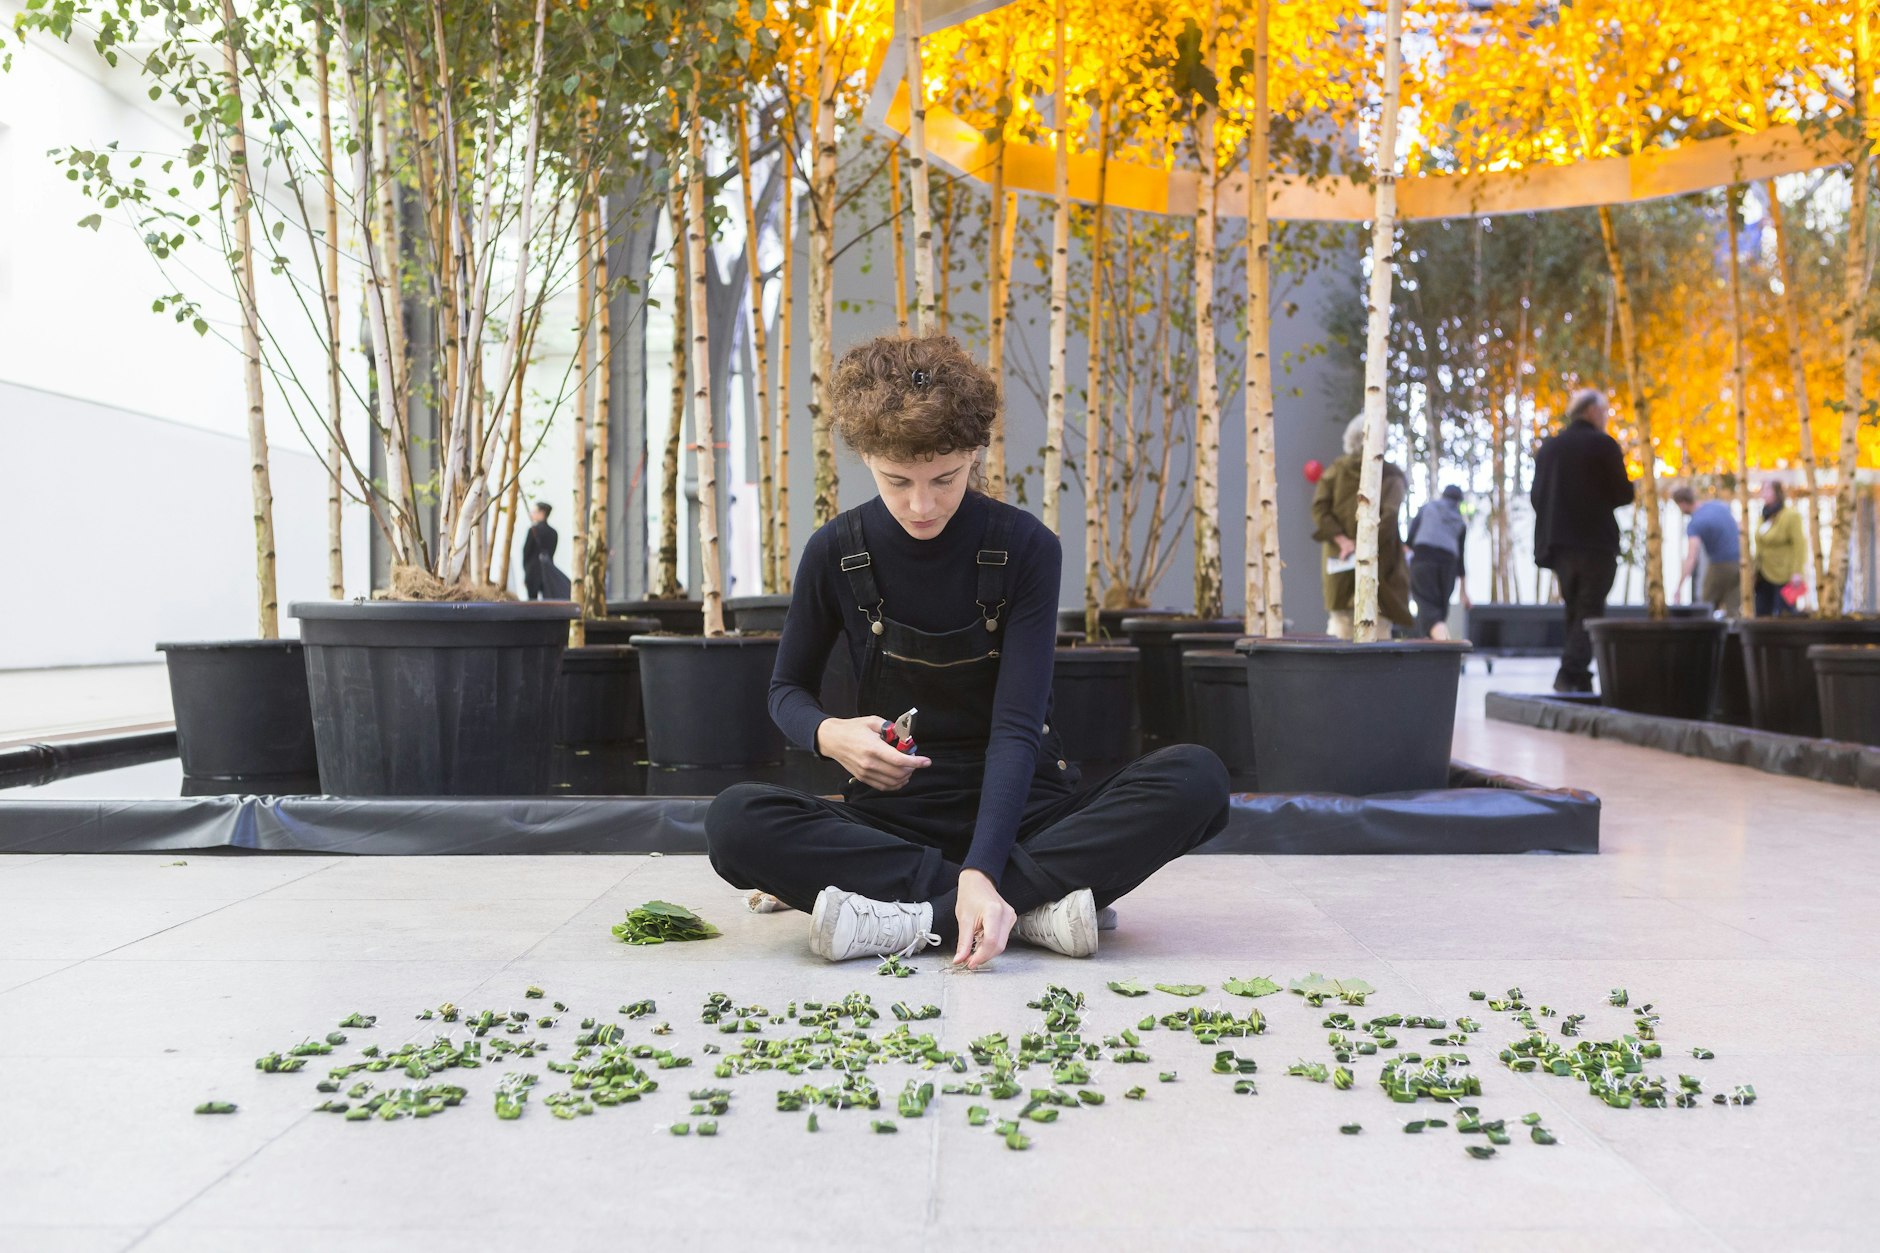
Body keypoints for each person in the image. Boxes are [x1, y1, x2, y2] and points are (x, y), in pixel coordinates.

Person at [705, 333, 1231, 969]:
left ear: (975, 453)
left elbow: (1015, 727)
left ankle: (914, 916)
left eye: (945, 478)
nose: (922, 505)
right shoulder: (834, 552)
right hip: (894, 819)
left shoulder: (1028, 549)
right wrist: (830, 735)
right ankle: (1029, 906)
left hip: (1025, 812)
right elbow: (785, 690)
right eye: (898, 481)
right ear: (866, 455)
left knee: (1197, 778)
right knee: (735, 822)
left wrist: (984, 864)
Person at [1531, 389, 1635, 693]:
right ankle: (1569, 672)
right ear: (1591, 411)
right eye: (1604, 412)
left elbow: (1537, 497)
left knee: (1574, 608)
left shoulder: (1549, 448)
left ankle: (1578, 676)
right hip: (1595, 542)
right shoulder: (1602, 445)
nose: (1605, 419)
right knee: (1589, 609)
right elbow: (1623, 493)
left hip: (1559, 545)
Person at [1311, 414, 1413, 640]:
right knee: (1378, 630)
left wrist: (1343, 542)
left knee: (1340, 628)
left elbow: (1319, 509)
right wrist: (1364, 546)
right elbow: (1389, 517)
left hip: (1340, 561)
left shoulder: (1335, 471)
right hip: (1380, 566)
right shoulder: (1391, 476)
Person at [1406, 484, 1472, 639]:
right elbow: (1460, 560)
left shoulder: (1427, 508)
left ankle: (1446, 653)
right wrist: (1463, 592)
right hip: (1448, 568)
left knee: (1429, 613)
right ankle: (1439, 653)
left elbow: (1409, 541)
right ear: (1459, 502)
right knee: (1438, 614)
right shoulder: (1460, 522)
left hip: (1423, 561)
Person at [1670, 485, 1742, 615]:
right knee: (1734, 608)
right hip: (1741, 562)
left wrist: (1678, 587)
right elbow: (1739, 526)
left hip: (1721, 564)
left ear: (1682, 504)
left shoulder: (1695, 523)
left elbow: (1692, 557)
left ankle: (1703, 634)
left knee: (1705, 606)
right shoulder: (1719, 505)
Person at [1752, 481, 1807, 617]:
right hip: (1763, 573)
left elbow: (1800, 545)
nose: (1763, 494)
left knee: (1785, 614)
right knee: (1762, 612)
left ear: (1777, 493)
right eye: (1762, 490)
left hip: (1784, 573)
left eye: (1767, 490)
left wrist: (1797, 572)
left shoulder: (1791, 516)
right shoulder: (1763, 517)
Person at [522, 502, 572, 601]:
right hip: (547, 571)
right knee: (548, 600)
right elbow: (551, 553)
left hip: (532, 572)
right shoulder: (553, 533)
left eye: (535, 511)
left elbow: (526, 553)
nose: (532, 514)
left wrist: (526, 572)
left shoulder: (533, 530)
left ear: (542, 513)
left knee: (532, 603)